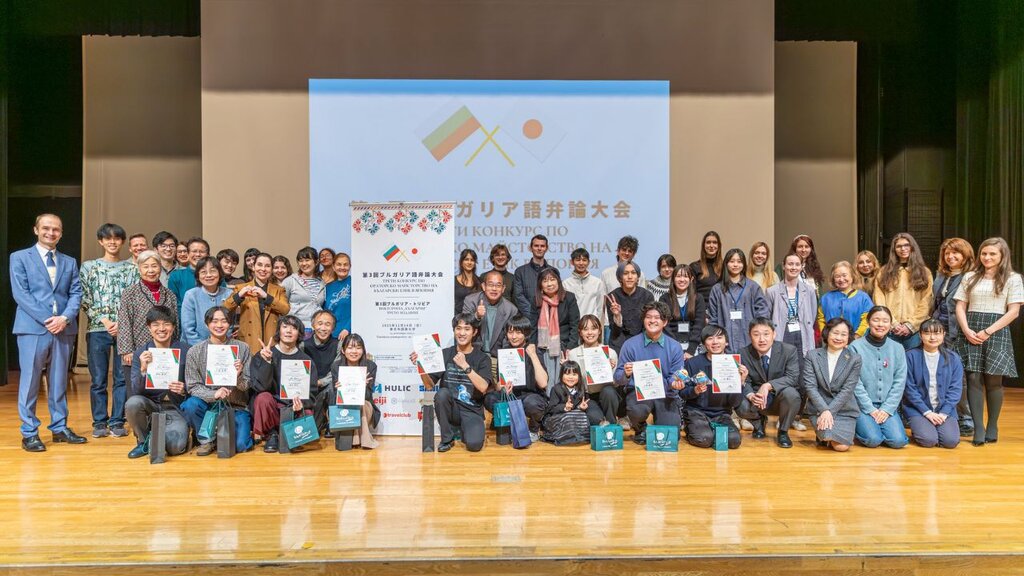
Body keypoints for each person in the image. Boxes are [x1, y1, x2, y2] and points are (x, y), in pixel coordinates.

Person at [10, 213, 87, 452]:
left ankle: (59, 427)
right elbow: (21, 294)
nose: (50, 233)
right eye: (46, 228)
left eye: (56, 229)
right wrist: (47, 319)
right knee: (30, 381)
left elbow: (76, 293)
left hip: (63, 329)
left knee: (59, 381)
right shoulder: (19, 257)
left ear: (61, 233)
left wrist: (64, 318)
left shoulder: (69, 262)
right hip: (33, 328)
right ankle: (29, 432)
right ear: (36, 230)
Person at [954, 237, 1023, 446]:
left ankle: (992, 425)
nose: (987, 257)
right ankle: (979, 427)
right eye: (984, 253)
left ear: (1002, 256)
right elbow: (960, 306)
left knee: (993, 380)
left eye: (992, 254)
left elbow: (1013, 312)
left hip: (996, 329)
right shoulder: (970, 276)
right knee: (973, 378)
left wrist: (988, 331)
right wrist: (966, 330)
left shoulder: (1013, 278)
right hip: (971, 328)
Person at [80, 223, 137, 438]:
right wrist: (104, 321)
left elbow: (133, 299)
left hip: (125, 330)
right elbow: (84, 297)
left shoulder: (131, 269)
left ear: (122, 242)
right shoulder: (89, 267)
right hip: (97, 329)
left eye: (117, 238)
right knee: (98, 379)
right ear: (101, 241)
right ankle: (99, 422)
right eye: (108, 238)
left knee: (122, 378)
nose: (112, 242)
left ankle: (117, 421)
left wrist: (121, 324)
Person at [410, 314, 493, 452]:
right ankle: (447, 439)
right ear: (454, 331)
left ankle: (467, 430)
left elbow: (483, 387)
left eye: (467, 329)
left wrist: (465, 365)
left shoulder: (482, 358)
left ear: (474, 332)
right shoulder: (445, 354)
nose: (462, 333)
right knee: (442, 393)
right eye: (458, 328)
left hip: (471, 410)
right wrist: (421, 367)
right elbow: (429, 386)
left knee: (474, 445)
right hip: (451, 409)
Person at [179, 306, 254, 456]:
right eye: (214, 321)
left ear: (230, 324)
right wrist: (214, 394)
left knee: (241, 445)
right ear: (207, 324)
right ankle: (207, 440)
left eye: (224, 321)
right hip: (207, 406)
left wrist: (238, 375)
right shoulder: (195, 351)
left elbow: (247, 385)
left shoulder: (243, 348)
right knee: (190, 405)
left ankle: (221, 433)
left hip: (235, 406)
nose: (219, 325)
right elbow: (193, 387)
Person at [614, 301, 686, 444]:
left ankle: (659, 424)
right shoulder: (630, 345)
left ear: (665, 322)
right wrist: (626, 374)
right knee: (637, 411)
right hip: (639, 394)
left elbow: (675, 375)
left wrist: (675, 383)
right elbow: (617, 378)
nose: (652, 320)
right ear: (643, 320)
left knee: (671, 435)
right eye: (648, 317)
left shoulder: (675, 347)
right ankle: (640, 428)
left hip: (666, 394)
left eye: (657, 317)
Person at [125, 305, 191, 458]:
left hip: (175, 407)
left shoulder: (186, 351)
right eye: (156, 324)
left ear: (173, 327)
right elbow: (135, 390)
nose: (161, 329)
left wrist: (184, 389)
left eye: (166, 324)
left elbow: (196, 383)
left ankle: (160, 435)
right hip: (151, 406)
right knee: (133, 403)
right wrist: (143, 369)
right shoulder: (141, 353)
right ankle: (143, 441)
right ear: (149, 328)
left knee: (175, 448)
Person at [117, 250, 178, 411]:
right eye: (146, 266)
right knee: (136, 396)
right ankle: (140, 427)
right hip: (137, 352)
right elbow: (124, 322)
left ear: (160, 268)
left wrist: (175, 350)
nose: (150, 270)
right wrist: (127, 350)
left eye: (154, 266)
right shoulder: (130, 293)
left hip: (164, 353)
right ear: (139, 269)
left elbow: (175, 324)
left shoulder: (169, 294)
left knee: (163, 393)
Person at [250, 315, 319, 453]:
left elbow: (312, 393)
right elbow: (260, 387)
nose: (288, 331)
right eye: (285, 327)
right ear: (279, 331)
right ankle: (272, 434)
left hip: (293, 407)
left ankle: (290, 434)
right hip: (273, 407)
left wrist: (301, 404)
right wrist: (267, 362)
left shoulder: (306, 361)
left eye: (294, 328)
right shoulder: (263, 354)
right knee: (263, 398)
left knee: (308, 412)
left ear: (299, 334)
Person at [735, 318, 802, 447]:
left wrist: (768, 385)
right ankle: (758, 422)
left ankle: (783, 431)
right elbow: (745, 380)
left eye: (766, 334)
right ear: (749, 336)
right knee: (740, 403)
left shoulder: (788, 350)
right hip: (757, 398)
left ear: (774, 334)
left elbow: (792, 377)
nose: (762, 339)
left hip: (779, 397)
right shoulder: (743, 353)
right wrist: (751, 395)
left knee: (792, 394)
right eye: (756, 334)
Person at [849, 306, 909, 449]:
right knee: (873, 440)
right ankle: (860, 427)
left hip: (886, 405)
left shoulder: (898, 348)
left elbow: (899, 381)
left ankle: (879, 426)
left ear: (890, 324)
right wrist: (870, 409)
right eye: (876, 320)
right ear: (868, 321)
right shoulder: (855, 347)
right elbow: (855, 382)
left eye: (885, 321)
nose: (880, 324)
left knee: (898, 441)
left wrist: (887, 409)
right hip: (863, 405)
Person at [933, 237, 975, 435]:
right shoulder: (941, 275)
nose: (950, 256)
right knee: (940, 373)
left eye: (955, 252)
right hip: (938, 330)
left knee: (960, 377)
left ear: (965, 255)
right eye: (947, 253)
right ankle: (945, 414)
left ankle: (966, 418)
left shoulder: (971, 276)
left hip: (958, 331)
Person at [680, 324, 746, 449]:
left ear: (726, 342)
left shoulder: (733, 364)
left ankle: (711, 431)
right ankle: (696, 428)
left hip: (722, 414)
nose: (715, 342)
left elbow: (735, 403)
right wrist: (695, 390)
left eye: (719, 337)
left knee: (733, 441)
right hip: (696, 412)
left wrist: (740, 382)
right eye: (710, 338)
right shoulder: (693, 363)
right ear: (704, 343)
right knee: (704, 439)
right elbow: (682, 392)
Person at [482, 316, 548, 440]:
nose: (513, 336)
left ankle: (534, 429)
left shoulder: (533, 351)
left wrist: (533, 355)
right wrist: (503, 387)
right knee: (489, 399)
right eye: (510, 332)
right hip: (510, 394)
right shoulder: (505, 352)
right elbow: (498, 385)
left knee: (532, 403)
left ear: (526, 333)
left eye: (518, 332)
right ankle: (507, 425)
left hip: (530, 395)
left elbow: (543, 383)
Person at [802, 317, 862, 451]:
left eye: (843, 334)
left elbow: (847, 390)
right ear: (827, 333)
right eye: (835, 333)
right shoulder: (812, 355)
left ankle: (827, 435)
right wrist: (824, 410)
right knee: (828, 437)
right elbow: (810, 387)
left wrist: (830, 411)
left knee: (842, 447)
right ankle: (824, 436)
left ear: (848, 337)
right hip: (819, 407)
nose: (839, 337)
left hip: (844, 409)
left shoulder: (855, 359)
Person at [903, 319, 963, 449]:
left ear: (944, 334)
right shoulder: (909, 356)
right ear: (920, 335)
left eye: (937, 333)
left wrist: (944, 413)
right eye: (927, 333)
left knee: (950, 442)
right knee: (928, 440)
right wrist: (927, 412)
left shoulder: (953, 358)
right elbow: (909, 388)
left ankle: (935, 427)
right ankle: (922, 427)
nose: (932, 337)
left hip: (944, 410)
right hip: (919, 409)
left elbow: (955, 389)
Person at [874, 233, 933, 349]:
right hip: (889, 329)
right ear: (894, 249)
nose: (903, 249)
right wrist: (892, 323)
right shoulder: (884, 272)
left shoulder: (924, 272)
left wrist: (910, 325)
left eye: (906, 245)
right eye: (899, 246)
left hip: (914, 331)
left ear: (912, 247)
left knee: (912, 359)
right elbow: (879, 299)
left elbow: (926, 301)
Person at [224, 252, 291, 354]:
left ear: (271, 269)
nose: (263, 269)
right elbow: (225, 308)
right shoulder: (241, 287)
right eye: (259, 265)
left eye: (267, 266)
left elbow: (285, 310)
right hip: (248, 340)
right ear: (253, 267)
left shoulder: (278, 290)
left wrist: (266, 296)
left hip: (271, 341)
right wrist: (239, 295)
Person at [707, 248, 769, 353]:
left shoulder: (753, 287)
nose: (735, 265)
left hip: (749, 345)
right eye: (732, 261)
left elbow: (762, 315)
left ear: (744, 264)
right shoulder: (717, 289)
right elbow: (713, 320)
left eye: (739, 261)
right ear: (726, 264)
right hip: (724, 347)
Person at [566, 315, 622, 427]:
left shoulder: (610, 353)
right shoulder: (573, 354)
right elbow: (572, 384)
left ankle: (612, 426)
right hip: (586, 396)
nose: (590, 333)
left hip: (607, 395)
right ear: (580, 332)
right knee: (597, 419)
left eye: (593, 328)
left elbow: (617, 383)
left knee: (609, 391)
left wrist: (609, 370)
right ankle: (601, 422)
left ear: (600, 331)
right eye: (585, 329)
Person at [327, 333, 381, 448]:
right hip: (342, 405)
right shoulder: (336, 366)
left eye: (358, 348)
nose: (354, 351)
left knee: (361, 405)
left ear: (363, 350)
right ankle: (355, 440)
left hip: (365, 404)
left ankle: (364, 441)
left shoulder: (370, 366)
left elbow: (368, 395)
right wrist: (338, 389)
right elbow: (336, 396)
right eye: (350, 348)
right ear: (343, 350)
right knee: (349, 405)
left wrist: (362, 386)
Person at [462, 270, 518, 379]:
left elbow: (508, 340)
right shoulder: (471, 301)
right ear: (483, 286)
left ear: (503, 288)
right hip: (473, 355)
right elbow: (463, 328)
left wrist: (504, 366)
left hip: (495, 358)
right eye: (491, 285)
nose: (494, 289)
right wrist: (477, 316)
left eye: (498, 285)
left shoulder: (511, 310)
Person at [765, 253, 818, 360]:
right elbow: (767, 317)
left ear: (802, 267)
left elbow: (812, 315)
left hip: (803, 332)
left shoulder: (809, 291)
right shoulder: (772, 291)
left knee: (803, 365)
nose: (794, 267)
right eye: (790, 264)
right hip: (782, 332)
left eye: (797, 264)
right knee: (783, 364)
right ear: (783, 266)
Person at [535, 267, 580, 389]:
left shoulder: (569, 297)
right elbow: (533, 327)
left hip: (564, 346)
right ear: (540, 285)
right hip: (543, 347)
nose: (549, 284)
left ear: (558, 281)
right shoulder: (537, 301)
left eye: (552, 279)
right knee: (547, 380)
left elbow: (575, 324)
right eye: (545, 281)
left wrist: (570, 348)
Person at [180, 257, 233, 345]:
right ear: (198, 275)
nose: (208, 275)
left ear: (220, 273)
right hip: (194, 346)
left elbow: (230, 325)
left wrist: (222, 345)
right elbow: (188, 329)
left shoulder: (228, 294)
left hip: (223, 346)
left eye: (213, 271)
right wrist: (202, 348)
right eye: (203, 272)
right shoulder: (191, 295)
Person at [304, 309, 341, 433]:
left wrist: (321, 382)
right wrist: (312, 383)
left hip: (328, 386)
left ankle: (332, 423)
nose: (323, 328)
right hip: (309, 387)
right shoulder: (303, 345)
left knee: (333, 387)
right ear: (313, 325)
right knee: (313, 429)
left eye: (327, 324)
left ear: (333, 328)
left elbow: (336, 370)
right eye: (320, 323)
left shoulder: (338, 345)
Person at [659, 264, 706, 359]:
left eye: (685, 276)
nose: (682, 280)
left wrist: (691, 350)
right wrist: (676, 348)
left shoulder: (698, 298)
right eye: (678, 276)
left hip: (694, 347)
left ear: (691, 279)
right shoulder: (664, 299)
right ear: (673, 279)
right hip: (671, 346)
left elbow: (699, 325)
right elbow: (665, 326)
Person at [606, 261, 654, 352]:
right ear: (620, 277)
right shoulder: (613, 297)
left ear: (638, 277)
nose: (630, 277)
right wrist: (617, 316)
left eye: (633, 273)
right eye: (625, 273)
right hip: (619, 343)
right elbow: (614, 331)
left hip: (642, 342)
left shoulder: (647, 296)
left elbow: (649, 325)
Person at [817, 261, 873, 339]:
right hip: (832, 341)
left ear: (852, 276)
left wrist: (856, 336)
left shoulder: (863, 298)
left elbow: (867, 319)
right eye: (837, 276)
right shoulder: (826, 298)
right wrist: (826, 336)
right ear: (833, 279)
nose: (841, 279)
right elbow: (821, 319)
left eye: (844, 275)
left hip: (857, 341)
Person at [280, 246, 326, 338]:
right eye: (301, 261)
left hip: (316, 330)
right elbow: (282, 307)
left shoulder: (321, 282)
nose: (304, 263)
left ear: (316, 261)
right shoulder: (290, 281)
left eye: (307, 260)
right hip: (296, 329)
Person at [541, 361, 591, 444]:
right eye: (567, 374)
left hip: (574, 417)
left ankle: (579, 437)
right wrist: (564, 407)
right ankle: (565, 437)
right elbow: (551, 409)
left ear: (579, 376)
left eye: (574, 374)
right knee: (568, 416)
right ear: (561, 375)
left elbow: (580, 405)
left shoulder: (581, 388)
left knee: (582, 415)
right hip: (558, 418)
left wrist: (580, 407)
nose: (571, 377)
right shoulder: (556, 389)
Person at [513, 234, 552, 322]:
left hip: (549, 319)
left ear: (546, 248)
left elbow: (556, 296)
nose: (539, 248)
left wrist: (546, 315)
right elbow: (519, 297)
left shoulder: (553, 271)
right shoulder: (520, 271)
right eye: (536, 246)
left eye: (542, 246)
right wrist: (534, 316)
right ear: (530, 248)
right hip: (528, 320)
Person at [166, 237, 211, 311]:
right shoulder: (176, 276)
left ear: (208, 255)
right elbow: (175, 305)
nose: (198, 254)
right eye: (194, 251)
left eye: (201, 251)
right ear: (188, 254)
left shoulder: (215, 276)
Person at [563, 247, 606, 322]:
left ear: (589, 262)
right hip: (573, 324)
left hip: (592, 324)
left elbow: (600, 307)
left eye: (584, 260)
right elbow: (565, 308)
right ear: (572, 262)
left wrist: (596, 324)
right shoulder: (565, 283)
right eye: (578, 260)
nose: (581, 263)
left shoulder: (597, 282)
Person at [324, 252, 352, 339]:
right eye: (339, 264)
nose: (342, 267)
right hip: (330, 335)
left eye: (345, 265)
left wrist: (347, 328)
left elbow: (360, 310)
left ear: (350, 266)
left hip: (347, 334)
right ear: (333, 267)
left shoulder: (355, 283)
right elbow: (325, 312)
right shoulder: (328, 287)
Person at [689, 231, 723, 300]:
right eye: (708, 242)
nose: (711, 246)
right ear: (703, 245)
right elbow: (691, 293)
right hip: (701, 305)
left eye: (714, 242)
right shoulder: (694, 267)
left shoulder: (725, 266)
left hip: (720, 305)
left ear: (719, 246)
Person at [454, 248, 482, 314]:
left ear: (475, 263)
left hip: (475, 318)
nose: (469, 262)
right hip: (458, 318)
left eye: (472, 260)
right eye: (466, 259)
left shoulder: (480, 281)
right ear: (461, 262)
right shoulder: (454, 281)